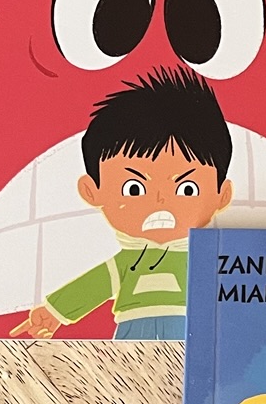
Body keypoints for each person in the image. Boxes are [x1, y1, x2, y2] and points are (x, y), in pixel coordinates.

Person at [12, 66, 233, 340]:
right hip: (132, 331)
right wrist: (55, 312)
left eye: (186, 189)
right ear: (92, 191)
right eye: (134, 188)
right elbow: (95, 285)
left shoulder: (204, 257)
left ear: (222, 195)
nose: (160, 201)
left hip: (189, 328)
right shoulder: (126, 262)